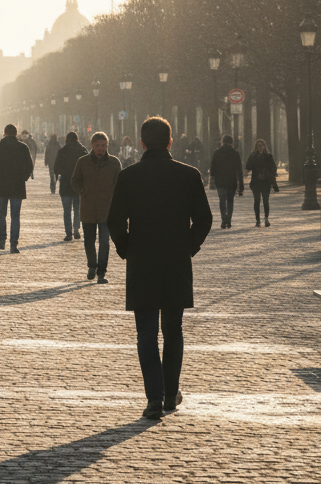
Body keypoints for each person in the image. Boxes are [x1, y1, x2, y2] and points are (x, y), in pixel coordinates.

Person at [107, 116, 213, 419]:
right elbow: (204, 219)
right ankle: (170, 394)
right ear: (170, 141)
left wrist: (127, 249)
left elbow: (115, 220)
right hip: (176, 261)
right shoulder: (189, 175)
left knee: (146, 333)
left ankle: (154, 397)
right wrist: (188, 247)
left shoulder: (129, 176)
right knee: (173, 331)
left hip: (142, 261)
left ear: (141, 143)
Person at [70, 131, 121, 284]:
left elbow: (120, 183)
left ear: (107, 146)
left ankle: (101, 272)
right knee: (89, 241)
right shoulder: (83, 162)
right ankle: (92, 266)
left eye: (103, 146)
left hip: (107, 210)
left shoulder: (114, 163)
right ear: (92, 146)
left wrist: (114, 196)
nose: (101, 149)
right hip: (88, 208)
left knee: (104, 242)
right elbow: (75, 180)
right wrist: (82, 191)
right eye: (98, 146)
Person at [0, 124, 34, 253]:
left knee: (1, 214)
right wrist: (23, 177)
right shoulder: (22, 147)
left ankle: (2, 240)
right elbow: (29, 166)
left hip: (1, 186)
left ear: (4, 133)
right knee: (15, 216)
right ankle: (13, 244)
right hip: (17, 186)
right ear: (16, 133)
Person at [53, 132, 87, 242]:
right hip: (79, 185)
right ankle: (76, 229)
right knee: (77, 209)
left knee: (67, 211)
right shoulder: (82, 150)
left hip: (65, 184)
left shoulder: (62, 151)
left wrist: (59, 174)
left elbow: (56, 167)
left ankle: (68, 233)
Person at [209, 135, 243, 229]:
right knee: (230, 200)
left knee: (222, 200)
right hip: (232, 180)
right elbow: (239, 169)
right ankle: (229, 219)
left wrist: (213, 179)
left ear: (222, 142)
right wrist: (241, 185)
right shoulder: (235, 153)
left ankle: (224, 219)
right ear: (231, 142)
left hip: (220, 180)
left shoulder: (217, 152)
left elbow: (212, 167)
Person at [245, 138, 278, 227]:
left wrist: (270, 174)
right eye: (258, 146)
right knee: (257, 201)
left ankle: (266, 219)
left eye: (262, 145)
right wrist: (256, 158)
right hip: (256, 182)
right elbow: (248, 166)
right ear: (256, 147)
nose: (260, 147)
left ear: (265, 147)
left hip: (266, 182)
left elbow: (273, 167)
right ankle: (258, 220)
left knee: (265, 201)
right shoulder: (253, 156)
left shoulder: (268, 156)